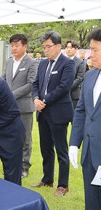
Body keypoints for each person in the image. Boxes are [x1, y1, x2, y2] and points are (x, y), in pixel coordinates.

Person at [31, 31, 75, 196]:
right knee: (45, 148)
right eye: (43, 47)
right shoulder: (42, 64)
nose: (45, 50)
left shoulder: (67, 64)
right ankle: (47, 179)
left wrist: (45, 100)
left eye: (48, 47)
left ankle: (63, 185)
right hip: (42, 113)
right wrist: (36, 98)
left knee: (61, 150)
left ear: (58, 46)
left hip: (58, 113)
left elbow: (64, 87)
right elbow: (35, 84)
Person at [69, 27, 101, 210]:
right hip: (89, 154)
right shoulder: (90, 76)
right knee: (92, 203)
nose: (91, 54)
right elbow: (81, 111)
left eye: (95, 50)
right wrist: (74, 143)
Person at [3, 34, 38, 178]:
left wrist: (11, 94)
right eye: (12, 45)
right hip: (8, 108)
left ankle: (25, 166)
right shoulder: (9, 62)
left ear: (25, 46)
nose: (14, 48)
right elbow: (3, 80)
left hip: (24, 107)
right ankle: (13, 163)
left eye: (17, 45)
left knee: (25, 138)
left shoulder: (32, 63)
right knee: (10, 136)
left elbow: (31, 84)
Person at [65, 40, 85, 110]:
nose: (68, 49)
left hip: (74, 96)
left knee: (74, 118)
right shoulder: (62, 61)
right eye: (67, 47)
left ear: (76, 49)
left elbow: (79, 78)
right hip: (62, 96)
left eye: (71, 48)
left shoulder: (80, 62)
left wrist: (67, 87)